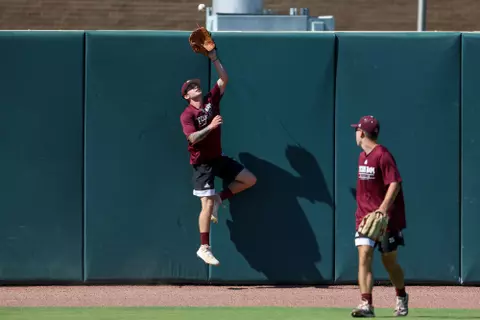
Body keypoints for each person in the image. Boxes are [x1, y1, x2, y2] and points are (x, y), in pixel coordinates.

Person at [179, 49, 257, 266]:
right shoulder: (187, 115)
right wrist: (211, 126)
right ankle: (204, 247)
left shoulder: (211, 100)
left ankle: (219, 199)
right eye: (191, 88)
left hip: (217, 158)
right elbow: (192, 138)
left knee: (249, 180)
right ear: (186, 96)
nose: (196, 87)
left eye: (196, 85)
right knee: (204, 205)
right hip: (202, 164)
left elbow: (224, 78)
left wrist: (213, 56)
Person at [350, 115, 409, 318]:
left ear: (363, 133)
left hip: (385, 219)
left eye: (357, 129)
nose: (355, 133)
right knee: (364, 255)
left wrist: (383, 209)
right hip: (364, 217)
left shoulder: (382, 155)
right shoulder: (361, 157)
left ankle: (401, 296)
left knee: (389, 263)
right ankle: (367, 304)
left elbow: (395, 183)